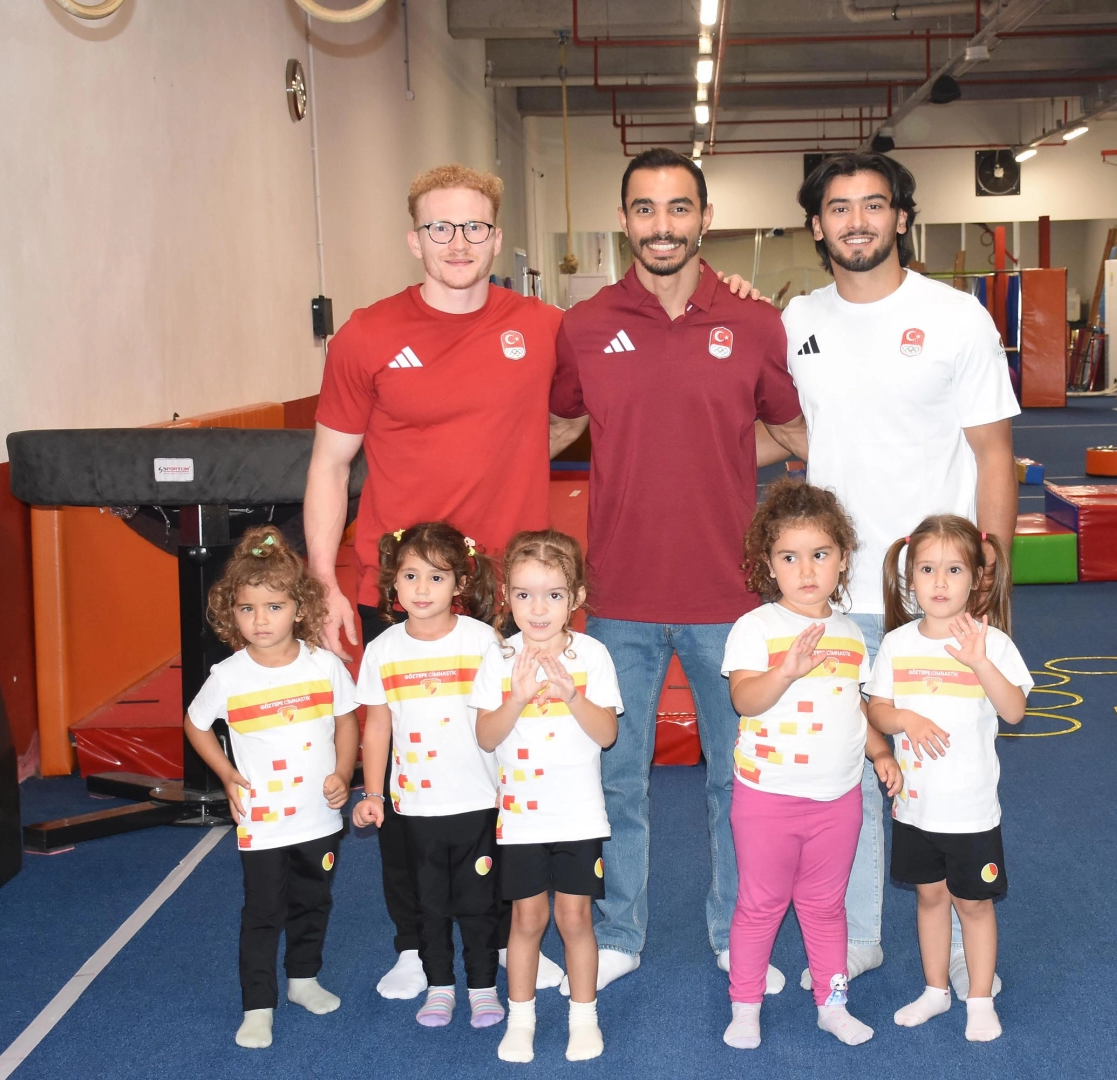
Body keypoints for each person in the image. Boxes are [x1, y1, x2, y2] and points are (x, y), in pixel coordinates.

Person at [305, 163, 568, 999]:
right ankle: (416, 945)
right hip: (404, 593)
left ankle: (512, 936)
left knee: (515, 763)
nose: (459, 243)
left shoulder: (543, 326)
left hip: (509, 597)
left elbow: (583, 403)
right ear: (414, 239)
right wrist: (323, 580)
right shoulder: (367, 334)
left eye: (475, 227)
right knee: (405, 775)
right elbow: (330, 464)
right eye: (441, 228)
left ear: (497, 237)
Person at [548, 148, 807, 992]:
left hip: (729, 599)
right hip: (617, 599)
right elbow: (550, 427)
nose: (662, 226)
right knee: (613, 781)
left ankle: (738, 934)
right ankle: (617, 934)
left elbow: (796, 434)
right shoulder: (583, 325)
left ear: (704, 218)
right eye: (645, 209)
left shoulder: (754, 323)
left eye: (678, 208)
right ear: (623, 219)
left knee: (738, 783)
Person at [779, 151, 1020, 994]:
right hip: (834, 591)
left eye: (873, 205)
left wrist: (989, 584)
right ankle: (856, 937)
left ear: (901, 218)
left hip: (935, 596)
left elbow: (995, 455)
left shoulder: (955, 318)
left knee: (940, 763)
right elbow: (783, 429)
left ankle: (955, 941)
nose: (857, 221)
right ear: (816, 227)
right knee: (845, 767)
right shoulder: (794, 320)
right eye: (839, 208)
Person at [719, 480, 900, 1050]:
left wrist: (881, 752)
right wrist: (786, 671)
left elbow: (855, 707)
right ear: (769, 564)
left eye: (820, 554)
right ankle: (745, 1006)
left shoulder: (850, 635)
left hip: (836, 800)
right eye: (789, 557)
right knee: (760, 905)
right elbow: (744, 700)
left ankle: (832, 1003)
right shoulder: (757, 628)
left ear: (842, 558)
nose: (805, 570)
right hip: (767, 798)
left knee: (825, 907)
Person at [183, 528, 360, 1050]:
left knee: (313, 900)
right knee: (262, 913)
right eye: (247, 608)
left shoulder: (324, 665)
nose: (260, 620)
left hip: (318, 817)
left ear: (299, 609)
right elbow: (195, 724)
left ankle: (303, 979)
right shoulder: (228, 675)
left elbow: (347, 721)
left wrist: (342, 772)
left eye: (274, 607)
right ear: (230, 613)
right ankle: (258, 1005)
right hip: (262, 821)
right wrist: (225, 772)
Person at [866, 514, 1032, 1042]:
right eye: (927, 569)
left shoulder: (992, 643)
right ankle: (936, 990)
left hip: (971, 812)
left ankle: (979, 999)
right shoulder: (897, 644)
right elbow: (877, 710)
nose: (939, 582)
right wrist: (905, 719)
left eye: (954, 569)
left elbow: (1014, 711)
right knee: (930, 899)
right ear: (909, 577)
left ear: (978, 577)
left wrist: (980, 662)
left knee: (974, 905)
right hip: (915, 809)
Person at [351, 523, 512, 1031]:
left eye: (436, 577)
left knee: (480, 901)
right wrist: (373, 793)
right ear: (393, 583)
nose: (422, 589)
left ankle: (483, 988)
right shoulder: (383, 650)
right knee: (431, 905)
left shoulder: (483, 641)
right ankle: (440, 985)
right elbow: (377, 726)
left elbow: (506, 716)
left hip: (479, 801)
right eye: (410, 576)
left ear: (460, 583)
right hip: (416, 807)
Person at [474, 531, 623, 1063]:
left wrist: (573, 696)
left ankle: (584, 1018)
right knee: (526, 920)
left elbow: (607, 734)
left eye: (553, 595)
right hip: (521, 819)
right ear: (507, 596)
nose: (538, 609)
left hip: (579, 817)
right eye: (524, 595)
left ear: (575, 597)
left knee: (576, 920)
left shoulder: (593, 655)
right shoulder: (499, 657)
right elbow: (486, 737)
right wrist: (515, 699)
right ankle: (522, 1021)